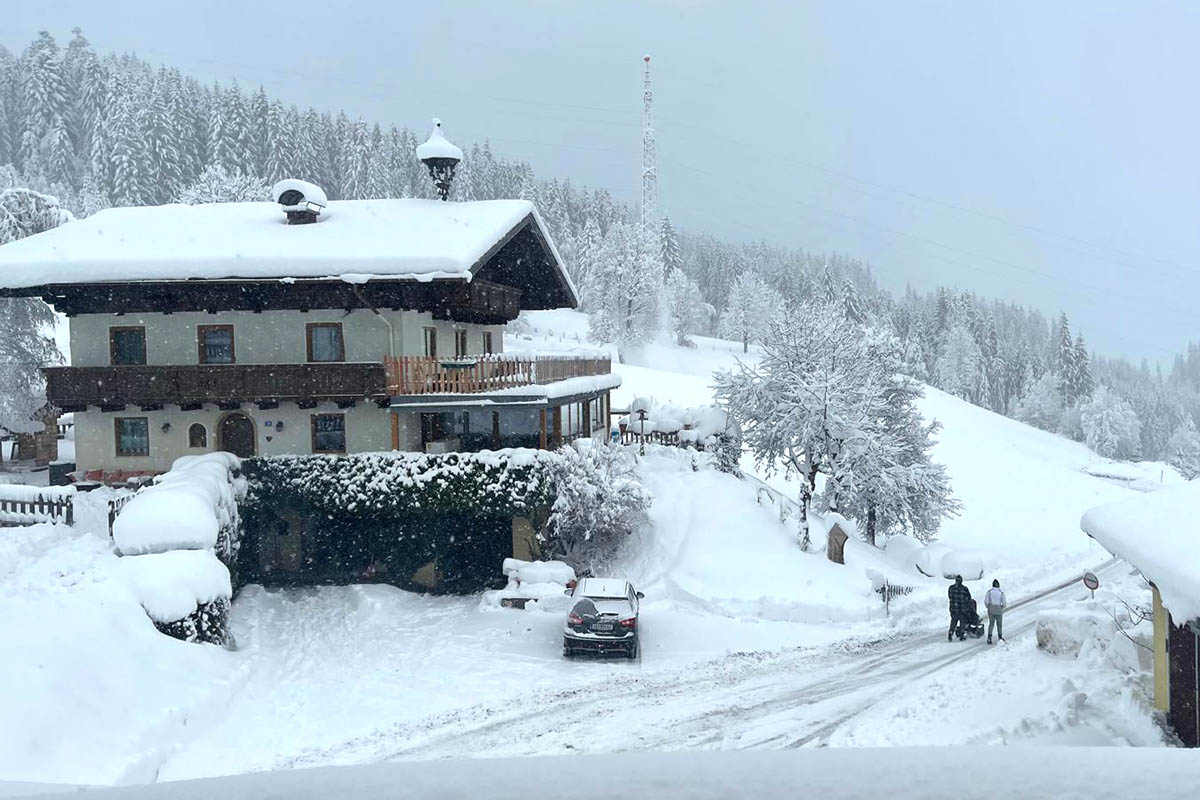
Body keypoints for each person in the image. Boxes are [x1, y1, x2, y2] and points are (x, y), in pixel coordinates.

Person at [947, 575, 972, 641]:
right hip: (962, 609)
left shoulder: (951, 588)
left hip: (953, 609)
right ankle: (961, 635)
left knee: (953, 622)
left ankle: (950, 632)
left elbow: (950, 596)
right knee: (962, 622)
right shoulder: (964, 589)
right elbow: (969, 598)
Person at [985, 578, 1007, 644]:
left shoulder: (989, 592)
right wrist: (1001, 607)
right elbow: (1004, 603)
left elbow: (986, 601)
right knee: (999, 624)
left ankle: (989, 637)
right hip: (998, 610)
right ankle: (1000, 636)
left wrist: (988, 607)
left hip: (991, 610)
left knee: (991, 624)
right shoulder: (1001, 593)